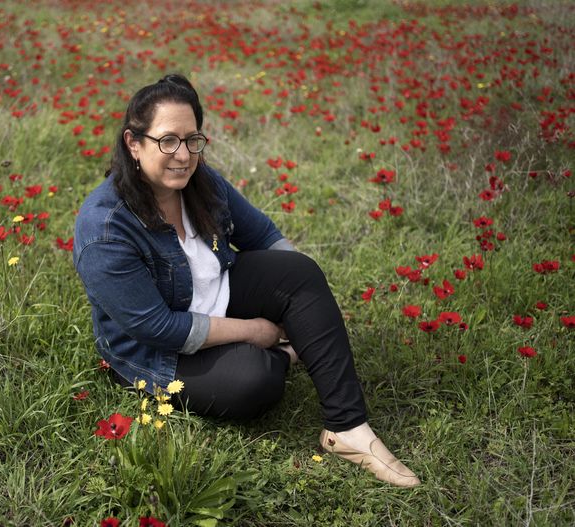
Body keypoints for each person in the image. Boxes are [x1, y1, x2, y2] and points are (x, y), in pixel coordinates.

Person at [73, 74, 420, 488]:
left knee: (301, 272)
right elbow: (156, 327)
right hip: (158, 349)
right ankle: (290, 352)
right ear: (134, 143)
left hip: (219, 296)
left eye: (192, 140)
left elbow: (264, 236)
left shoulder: (202, 183)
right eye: (168, 141)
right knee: (253, 380)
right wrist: (258, 331)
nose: (182, 155)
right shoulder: (105, 227)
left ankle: (346, 429)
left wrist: (306, 299)